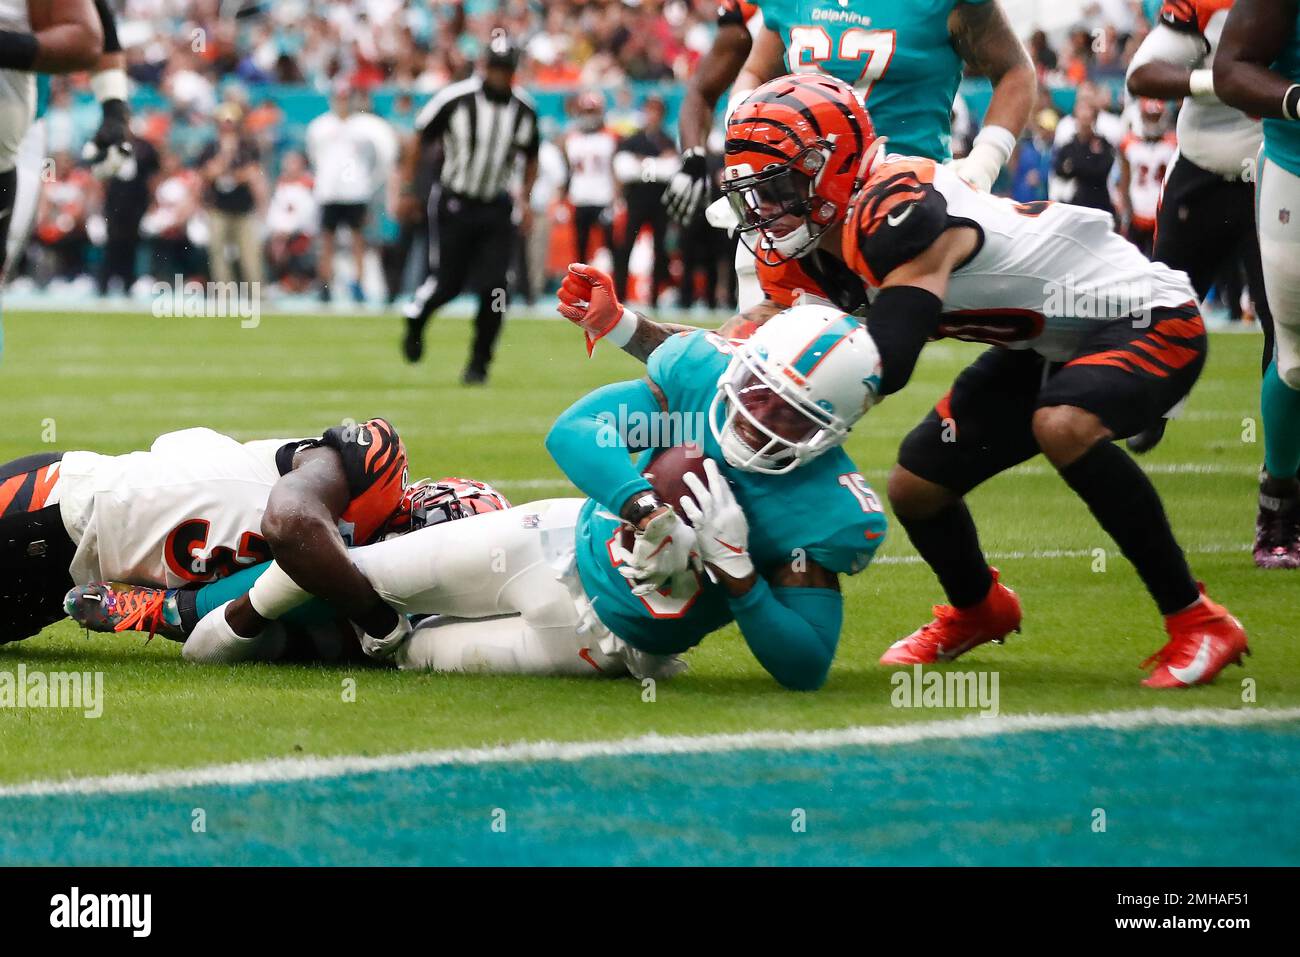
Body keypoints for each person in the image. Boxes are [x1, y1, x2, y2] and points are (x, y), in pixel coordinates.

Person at [153, 305, 888, 689]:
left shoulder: (822, 509)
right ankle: (178, 613)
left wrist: (740, 575)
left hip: (596, 643)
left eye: (791, 412)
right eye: (759, 389)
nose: (761, 414)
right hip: (551, 540)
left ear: (835, 429)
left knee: (408, 654)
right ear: (746, 364)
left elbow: (807, 664)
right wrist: (642, 505)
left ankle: (252, 634)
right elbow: (577, 430)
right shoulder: (701, 377)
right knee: (356, 572)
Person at [2, 419, 409, 647]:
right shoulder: (325, 471)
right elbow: (291, 527)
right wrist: (379, 620)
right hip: (52, 504)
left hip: (63, 580)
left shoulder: (312, 558)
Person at [1125, 0, 1273, 457]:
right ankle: (1157, 406)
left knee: (1285, 326)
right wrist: (1219, 82)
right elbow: (1142, 75)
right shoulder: (1209, 4)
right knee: (1165, 304)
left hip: (1276, 174)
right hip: (1201, 169)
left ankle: (1281, 460)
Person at [401, 32, 539, 385]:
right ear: (484, 67)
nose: (500, 76)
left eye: (506, 69)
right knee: (447, 283)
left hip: (495, 207)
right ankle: (416, 318)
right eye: (495, 68)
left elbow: (531, 155)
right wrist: (409, 189)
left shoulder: (523, 109)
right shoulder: (455, 99)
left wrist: (525, 196)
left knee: (496, 289)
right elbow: (420, 138)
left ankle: (479, 362)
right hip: (454, 203)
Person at [1214, 0, 1300, 568]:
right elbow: (1230, 69)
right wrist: (1295, 99)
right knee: (1296, 357)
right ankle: (1280, 501)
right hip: (1297, 168)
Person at [306, 86, 380, 304]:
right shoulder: (320, 126)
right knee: (327, 240)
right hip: (329, 191)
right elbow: (314, 156)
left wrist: (364, 182)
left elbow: (372, 158)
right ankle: (325, 282)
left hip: (355, 191)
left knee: (358, 239)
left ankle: (358, 283)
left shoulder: (363, 128)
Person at [611, 94, 675, 304]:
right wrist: (657, 165)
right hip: (636, 201)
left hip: (659, 202)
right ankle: (619, 294)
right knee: (626, 246)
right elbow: (624, 169)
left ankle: (654, 296)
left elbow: (672, 170)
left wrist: (643, 165)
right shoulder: (633, 140)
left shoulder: (667, 140)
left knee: (659, 249)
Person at [196, 102, 265, 286]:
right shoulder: (211, 147)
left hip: (243, 208)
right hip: (218, 207)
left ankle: (256, 293)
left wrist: (229, 172)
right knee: (218, 254)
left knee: (249, 253)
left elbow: (252, 173)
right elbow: (207, 173)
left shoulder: (248, 147)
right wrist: (226, 156)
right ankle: (224, 294)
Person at [1116, 98, 1176, 257]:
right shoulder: (1129, 144)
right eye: (1149, 117)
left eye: (1156, 117)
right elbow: (1124, 181)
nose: (1153, 123)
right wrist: (1126, 213)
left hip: (1162, 214)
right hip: (1137, 213)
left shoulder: (1174, 144)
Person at [563, 91, 617, 269]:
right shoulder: (571, 138)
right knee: (580, 248)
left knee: (609, 246)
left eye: (592, 111)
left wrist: (617, 197)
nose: (589, 116)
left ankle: (611, 288)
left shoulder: (611, 136)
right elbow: (568, 170)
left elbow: (615, 169)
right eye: (586, 112)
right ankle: (581, 289)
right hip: (580, 197)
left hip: (604, 197)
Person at [1053, 101, 1116, 213]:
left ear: (1094, 119)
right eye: (1081, 117)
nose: (1084, 122)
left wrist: (1074, 166)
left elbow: (1102, 169)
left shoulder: (1102, 143)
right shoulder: (1069, 145)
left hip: (1099, 203)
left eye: (1088, 117)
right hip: (1076, 203)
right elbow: (1058, 169)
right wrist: (1089, 162)